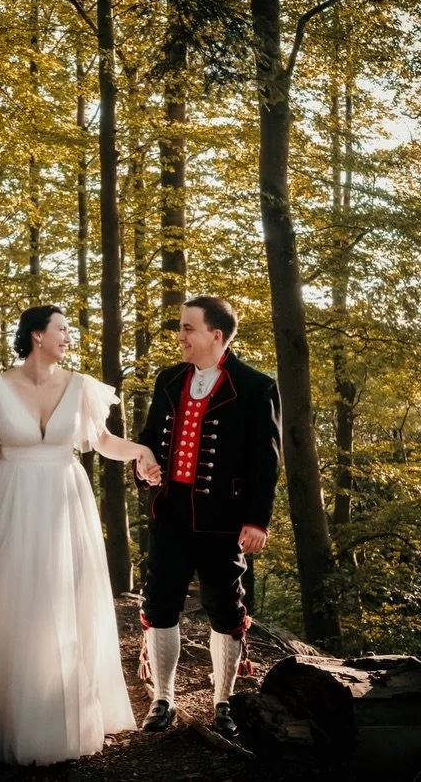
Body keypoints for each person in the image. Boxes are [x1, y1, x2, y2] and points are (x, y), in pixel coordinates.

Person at [0, 304, 162, 766]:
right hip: (15, 501)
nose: (69, 337)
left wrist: (142, 451)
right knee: (20, 603)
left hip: (67, 501)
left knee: (68, 600)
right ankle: (21, 721)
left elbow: (105, 442)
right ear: (36, 335)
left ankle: (69, 712)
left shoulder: (81, 386)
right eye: (62, 329)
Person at [134, 295, 282, 737]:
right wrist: (145, 470)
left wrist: (257, 520)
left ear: (215, 336)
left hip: (224, 519)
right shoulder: (168, 380)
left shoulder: (255, 386)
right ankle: (163, 699)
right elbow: (148, 442)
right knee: (160, 604)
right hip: (171, 513)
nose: (180, 336)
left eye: (188, 329)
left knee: (224, 607)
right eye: (181, 328)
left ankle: (224, 702)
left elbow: (265, 461)